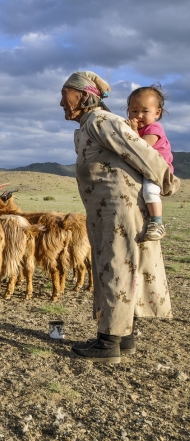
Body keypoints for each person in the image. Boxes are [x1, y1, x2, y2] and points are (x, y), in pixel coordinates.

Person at [59, 71, 180, 363]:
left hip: (120, 211)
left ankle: (108, 342)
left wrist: (168, 183)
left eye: (66, 95)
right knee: (111, 268)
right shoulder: (90, 125)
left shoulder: (102, 121)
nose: (61, 102)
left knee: (116, 268)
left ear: (84, 95)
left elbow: (143, 153)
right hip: (104, 212)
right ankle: (122, 337)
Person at [126, 85, 174, 241]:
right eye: (134, 111)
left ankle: (157, 223)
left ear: (157, 113)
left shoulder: (154, 128)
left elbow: (141, 148)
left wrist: (132, 132)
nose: (139, 115)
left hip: (157, 169)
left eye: (145, 111)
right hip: (144, 167)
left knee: (149, 191)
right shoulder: (137, 128)